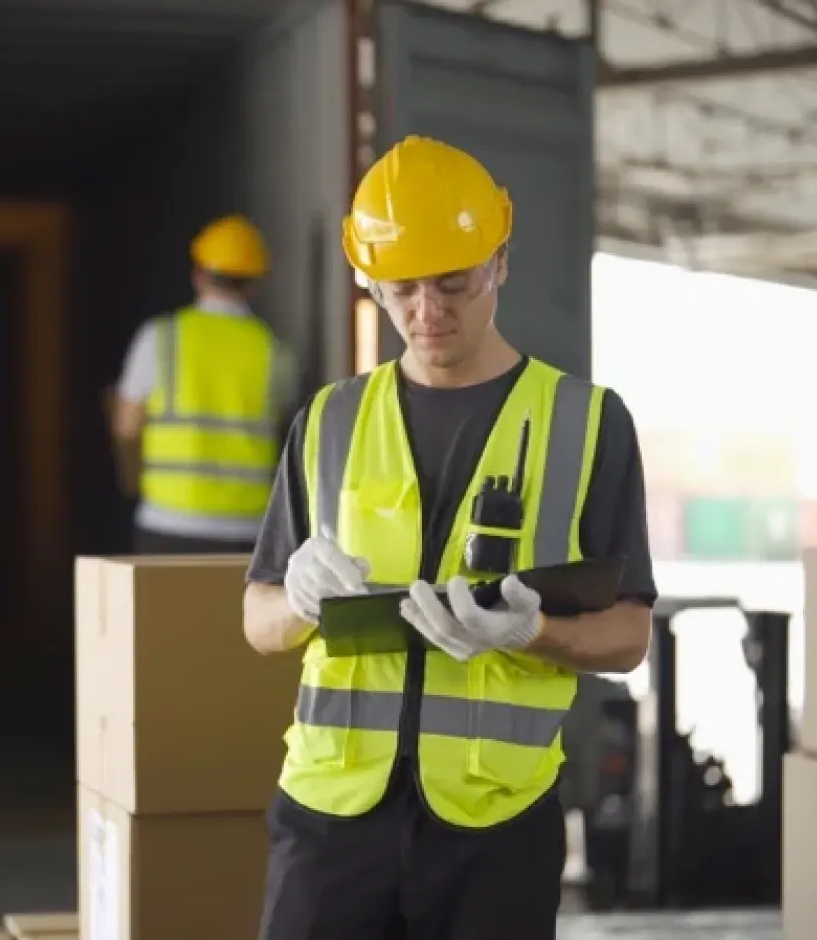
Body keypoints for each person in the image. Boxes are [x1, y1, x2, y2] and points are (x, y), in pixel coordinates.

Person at [242, 136, 658, 939]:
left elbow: (629, 636)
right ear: (370, 281)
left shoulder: (587, 425)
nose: (426, 312)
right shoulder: (328, 422)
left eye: (452, 283)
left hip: (495, 826)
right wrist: (295, 600)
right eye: (401, 289)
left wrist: (531, 631)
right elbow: (258, 621)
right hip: (331, 814)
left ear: (499, 261)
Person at [110, 215, 296, 554]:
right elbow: (285, 430)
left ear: (198, 275)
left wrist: (133, 480)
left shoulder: (161, 338)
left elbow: (126, 425)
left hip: (168, 521)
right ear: (254, 283)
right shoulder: (275, 352)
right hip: (248, 529)